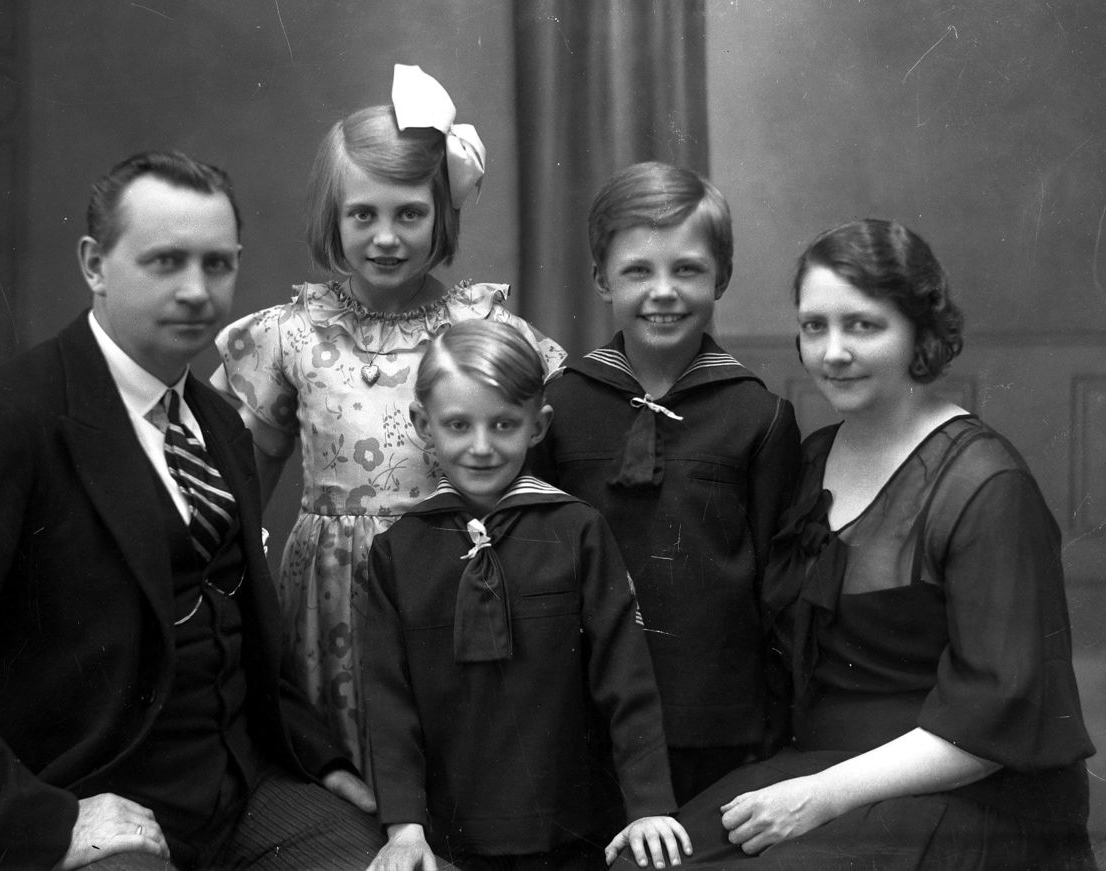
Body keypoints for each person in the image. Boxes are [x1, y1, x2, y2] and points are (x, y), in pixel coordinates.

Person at [0, 151, 382, 871]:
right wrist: (46, 823)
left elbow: (241, 625)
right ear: (95, 264)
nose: (196, 290)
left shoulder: (219, 422)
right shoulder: (5, 422)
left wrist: (317, 754)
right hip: (88, 803)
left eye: (217, 264)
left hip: (243, 790)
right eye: (165, 261)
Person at [664, 219, 1096, 869]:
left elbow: (995, 725)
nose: (833, 352)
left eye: (863, 326)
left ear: (920, 333)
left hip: (972, 794)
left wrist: (821, 795)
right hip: (827, 768)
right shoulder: (815, 457)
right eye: (815, 326)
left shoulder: (986, 486)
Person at [212, 64, 564, 774]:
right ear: (333, 218)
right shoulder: (293, 334)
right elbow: (233, 480)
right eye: (362, 215)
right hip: (330, 595)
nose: (385, 237)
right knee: (342, 776)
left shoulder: (481, 327)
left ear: (441, 216)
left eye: (409, 214)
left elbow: (550, 456)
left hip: (451, 582)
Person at [361, 319, 690, 871]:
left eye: (504, 424)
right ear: (422, 424)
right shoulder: (397, 551)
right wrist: (404, 827)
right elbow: (389, 702)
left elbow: (625, 675)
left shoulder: (578, 530)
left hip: (574, 825)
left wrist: (648, 806)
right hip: (449, 833)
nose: (482, 447)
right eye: (459, 425)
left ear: (538, 427)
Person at [531, 162, 801, 805]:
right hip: (585, 707)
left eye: (687, 269)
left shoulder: (759, 417)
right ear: (601, 279)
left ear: (721, 277)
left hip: (716, 717)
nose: (663, 292)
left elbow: (777, 587)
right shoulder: (557, 409)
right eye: (637, 271)